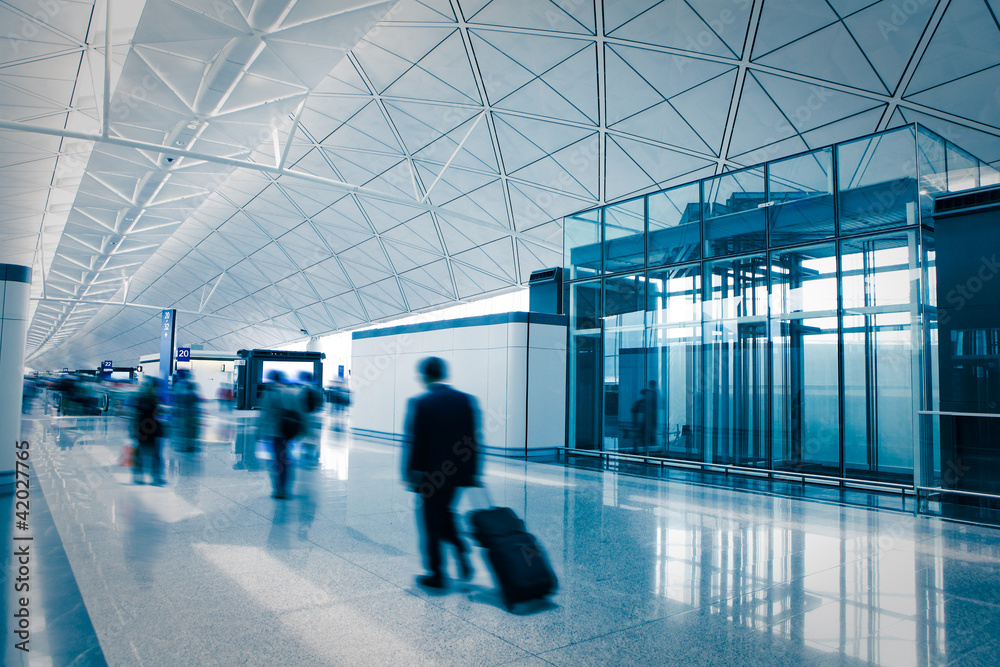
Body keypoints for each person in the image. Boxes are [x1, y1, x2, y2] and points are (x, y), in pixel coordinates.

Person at [403, 356, 481, 590]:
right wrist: (473, 472)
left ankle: (436, 573)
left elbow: (416, 442)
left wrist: (411, 472)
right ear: (444, 373)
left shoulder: (422, 403)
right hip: (458, 473)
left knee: (430, 521)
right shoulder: (466, 400)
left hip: (430, 474)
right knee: (445, 513)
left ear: (425, 376)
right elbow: (474, 439)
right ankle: (459, 548)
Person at [260, 370, 302, 499]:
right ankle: (286, 487)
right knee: (285, 458)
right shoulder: (292, 392)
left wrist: (258, 431)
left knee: (277, 460)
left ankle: (279, 489)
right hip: (288, 431)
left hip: (275, 432)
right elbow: (299, 412)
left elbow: (264, 414)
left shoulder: (270, 393)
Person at [132, 377, 165, 485]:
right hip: (144, 430)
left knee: (155, 454)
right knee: (142, 454)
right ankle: (140, 476)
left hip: (152, 430)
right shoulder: (145, 398)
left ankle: (155, 476)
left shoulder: (153, 398)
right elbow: (139, 415)